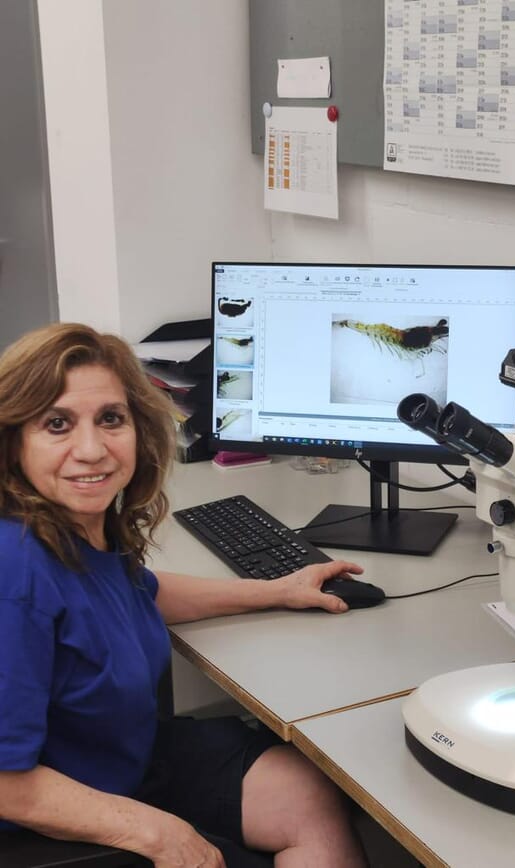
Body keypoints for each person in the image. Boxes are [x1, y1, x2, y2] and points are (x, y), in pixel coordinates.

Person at [0, 322, 369, 868]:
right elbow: (7, 784)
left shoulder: (78, 526)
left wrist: (276, 589)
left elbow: (137, 594)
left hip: (125, 756)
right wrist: (155, 833)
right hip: (53, 817)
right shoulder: (17, 573)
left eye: (110, 419)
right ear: (14, 442)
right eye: (57, 424)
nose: (91, 449)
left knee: (305, 790)